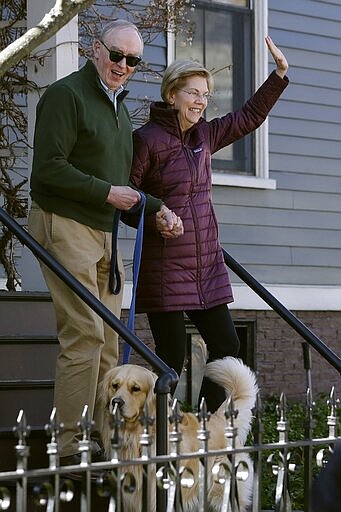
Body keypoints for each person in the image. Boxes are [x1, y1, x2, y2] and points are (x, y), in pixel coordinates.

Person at [28, 19, 174, 465]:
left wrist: (156, 207)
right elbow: (47, 170)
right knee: (86, 335)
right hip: (65, 223)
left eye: (133, 60)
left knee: (111, 341)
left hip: (104, 231)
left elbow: (118, 183)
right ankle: (70, 450)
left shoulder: (119, 108)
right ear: (96, 49)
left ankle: (106, 444)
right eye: (117, 55)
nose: (123, 66)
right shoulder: (66, 96)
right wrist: (107, 193)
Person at [128, 36, 289, 413]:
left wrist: (278, 75)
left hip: (206, 267)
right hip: (165, 266)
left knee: (227, 346)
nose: (201, 101)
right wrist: (155, 217)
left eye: (205, 94)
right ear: (172, 94)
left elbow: (248, 117)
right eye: (193, 93)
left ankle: (202, 429)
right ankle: (157, 436)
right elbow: (127, 199)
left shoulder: (205, 135)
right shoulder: (146, 141)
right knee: (171, 357)